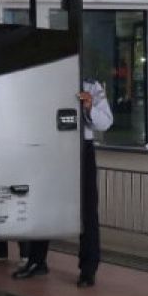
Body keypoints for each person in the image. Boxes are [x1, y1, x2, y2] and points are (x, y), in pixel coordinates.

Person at [13, 78, 113, 284]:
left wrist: (89, 107)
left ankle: (88, 268)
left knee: (87, 210)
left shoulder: (91, 86)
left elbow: (106, 122)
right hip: (50, 145)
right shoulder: (46, 77)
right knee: (43, 205)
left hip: (81, 148)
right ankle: (37, 260)